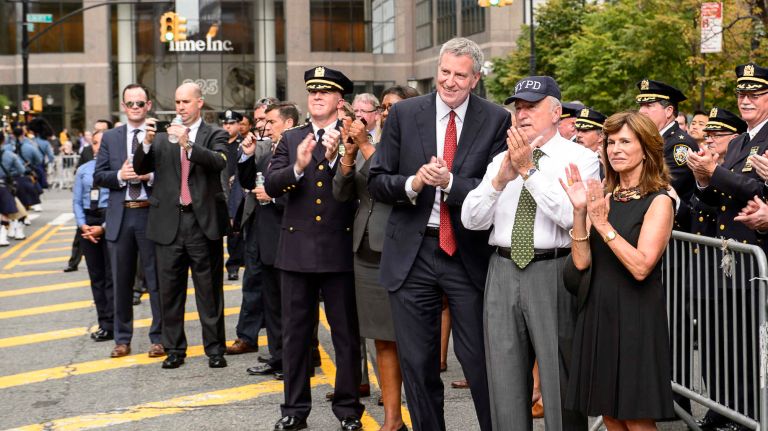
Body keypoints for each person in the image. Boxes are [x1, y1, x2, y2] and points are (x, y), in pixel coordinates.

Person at [369, 37, 510, 431]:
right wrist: (414, 183)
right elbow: (378, 181)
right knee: (418, 363)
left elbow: (495, 185)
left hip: (467, 253)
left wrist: (451, 183)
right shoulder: (403, 114)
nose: (449, 81)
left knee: (481, 362)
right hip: (412, 255)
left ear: (475, 78)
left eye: (459, 75)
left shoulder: (496, 119)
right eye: (444, 72)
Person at [460, 75, 596, 431]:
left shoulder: (580, 158)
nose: (521, 114)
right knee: (504, 381)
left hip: (552, 269)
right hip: (502, 269)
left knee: (558, 380)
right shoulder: (500, 161)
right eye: (517, 107)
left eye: (531, 106)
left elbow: (572, 217)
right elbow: (471, 219)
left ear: (555, 112)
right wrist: (500, 179)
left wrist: (529, 171)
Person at [264, 66, 364, 431]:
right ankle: (294, 409)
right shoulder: (291, 138)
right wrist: (298, 167)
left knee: (346, 336)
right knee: (295, 336)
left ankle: (349, 410)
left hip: (339, 249)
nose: (317, 96)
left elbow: (360, 189)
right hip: (296, 251)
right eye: (313, 91)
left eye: (326, 92)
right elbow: (272, 185)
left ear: (340, 100)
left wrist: (341, 158)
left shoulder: (352, 136)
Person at [562, 111, 676, 429]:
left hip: (636, 317)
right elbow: (582, 262)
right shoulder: (607, 197)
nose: (615, 149)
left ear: (647, 148)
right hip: (599, 313)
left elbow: (641, 266)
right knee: (610, 413)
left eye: (626, 141)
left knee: (636, 418)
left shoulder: (660, 201)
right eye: (611, 142)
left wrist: (602, 223)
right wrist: (580, 213)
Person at [333, 85, 419, 431]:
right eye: (384, 107)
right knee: (382, 338)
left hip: (398, 249)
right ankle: (392, 420)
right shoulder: (374, 144)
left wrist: (366, 144)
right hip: (365, 250)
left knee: (409, 338)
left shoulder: (415, 145)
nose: (386, 113)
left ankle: (419, 409)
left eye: (393, 107)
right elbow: (342, 193)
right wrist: (349, 155)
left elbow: (396, 186)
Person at [687, 63, 768, 430]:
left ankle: (748, 413)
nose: (746, 99)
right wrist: (704, 181)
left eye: (755, 93)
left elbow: (751, 190)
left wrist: (715, 174)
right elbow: (722, 196)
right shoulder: (739, 142)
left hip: (755, 257)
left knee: (751, 345)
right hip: (728, 257)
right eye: (741, 93)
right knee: (727, 342)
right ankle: (728, 408)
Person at [132, 82, 229, 370]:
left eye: (186, 101)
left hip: (202, 223)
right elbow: (139, 168)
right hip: (168, 224)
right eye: (177, 102)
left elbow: (218, 163)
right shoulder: (161, 138)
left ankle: (214, 349)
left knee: (209, 291)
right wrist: (147, 142)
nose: (180, 107)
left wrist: (188, 143)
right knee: (169, 290)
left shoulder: (215, 134)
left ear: (200, 103)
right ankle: (175, 348)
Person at [93, 84, 164, 358]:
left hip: (150, 213)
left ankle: (158, 338)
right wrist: (121, 176)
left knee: (156, 279)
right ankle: (122, 339)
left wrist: (149, 176)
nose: (135, 107)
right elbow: (99, 175)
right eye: (130, 103)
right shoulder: (110, 137)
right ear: (123, 106)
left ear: (148, 105)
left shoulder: (159, 136)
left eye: (140, 103)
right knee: (121, 281)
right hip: (120, 214)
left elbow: (170, 173)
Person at [237, 102, 298, 373]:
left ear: (287, 123)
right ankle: (278, 357)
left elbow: (301, 193)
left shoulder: (299, 150)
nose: (265, 126)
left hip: (288, 237)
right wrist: (248, 155)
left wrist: (273, 196)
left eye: (271, 122)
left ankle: (295, 361)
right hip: (266, 238)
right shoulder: (269, 150)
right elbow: (249, 183)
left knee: (291, 308)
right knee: (272, 305)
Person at [72, 130, 114, 342]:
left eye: (103, 142)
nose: (99, 146)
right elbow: (77, 201)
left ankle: (115, 323)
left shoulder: (116, 169)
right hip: (88, 223)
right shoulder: (83, 170)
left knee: (111, 277)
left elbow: (118, 202)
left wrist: (104, 227)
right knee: (96, 277)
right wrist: (83, 226)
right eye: (96, 142)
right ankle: (103, 323)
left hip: (109, 221)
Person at [220, 109, 246, 281]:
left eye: (231, 123)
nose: (228, 126)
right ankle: (233, 263)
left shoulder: (243, 144)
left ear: (238, 124)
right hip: (221, 192)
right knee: (227, 229)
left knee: (237, 229)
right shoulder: (218, 143)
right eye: (225, 123)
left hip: (238, 190)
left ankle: (234, 264)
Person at [0, 132, 23, 246]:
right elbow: (21, 170)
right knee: (6, 211)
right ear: (3, 140)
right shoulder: (10, 155)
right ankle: (3, 236)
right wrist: (9, 174)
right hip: (3, 185)